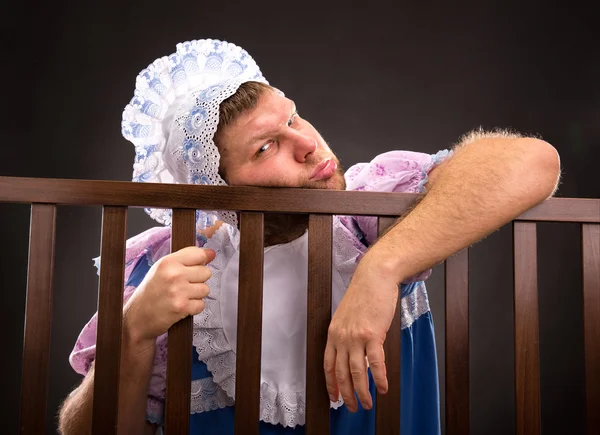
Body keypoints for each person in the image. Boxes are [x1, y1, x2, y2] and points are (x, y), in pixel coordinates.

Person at [57, 39, 561, 435]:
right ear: (218, 192)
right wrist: (133, 332)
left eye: (293, 117)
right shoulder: (169, 269)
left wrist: (380, 270)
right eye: (266, 147)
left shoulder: (368, 213)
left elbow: (533, 162)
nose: (307, 144)